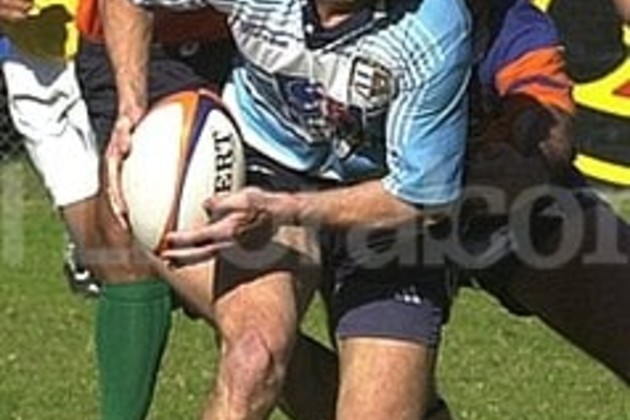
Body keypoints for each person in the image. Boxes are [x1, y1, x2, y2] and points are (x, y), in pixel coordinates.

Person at [103, 0, 472, 419]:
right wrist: (131, 106)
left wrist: (288, 209)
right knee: (252, 358)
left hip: (385, 204)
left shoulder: (434, 26)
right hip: (271, 166)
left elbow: (421, 199)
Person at [74, 1, 236, 418]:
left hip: (247, 38)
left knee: (244, 267)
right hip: (126, 38)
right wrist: (131, 105)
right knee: (124, 235)